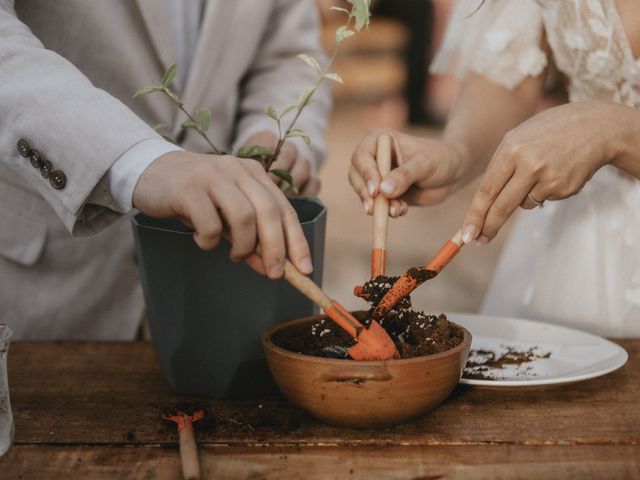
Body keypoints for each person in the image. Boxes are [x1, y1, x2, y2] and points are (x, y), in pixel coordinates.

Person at [0, 0, 331, 339]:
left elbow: (285, 53)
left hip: (217, 300)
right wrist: (138, 159)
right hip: (47, 303)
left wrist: (271, 135)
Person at [349, 0, 640, 337]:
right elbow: (507, 70)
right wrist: (457, 153)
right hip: (580, 247)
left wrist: (616, 133)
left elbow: (611, 130)